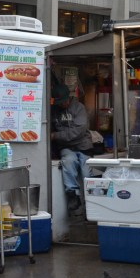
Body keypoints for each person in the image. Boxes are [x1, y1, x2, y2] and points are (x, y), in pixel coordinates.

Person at [50, 84, 94, 214]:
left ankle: (90, 207)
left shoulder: (79, 108)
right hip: (67, 147)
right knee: (68, 161)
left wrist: (56, 136)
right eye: (59, 102)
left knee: (87, 174)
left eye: (63, 101)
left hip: (84, 146)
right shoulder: (54, 110)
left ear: (68, 98)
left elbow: (79, 132)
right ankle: (73, 195)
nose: (62, 104)